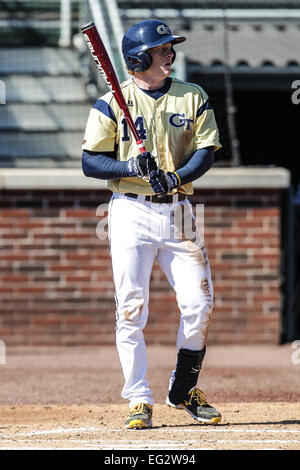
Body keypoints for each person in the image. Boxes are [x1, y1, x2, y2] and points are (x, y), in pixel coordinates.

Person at [81, 19, 222, 429]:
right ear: (138, 58)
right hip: (130, 210)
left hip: (178, 209)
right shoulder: (111, 101)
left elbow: (206, 151)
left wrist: (176, 176)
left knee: (199, 305)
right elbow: (91, 161)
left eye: (169, 48)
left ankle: (184, 387)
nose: (170, 54)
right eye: (161, 50)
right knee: (131, 309)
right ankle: (138, 398)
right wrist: (129, 165)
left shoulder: (192, 95)